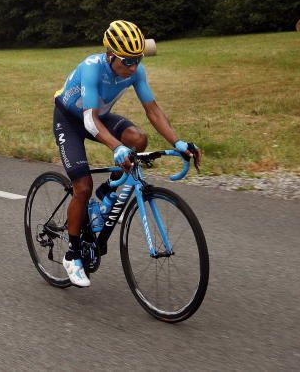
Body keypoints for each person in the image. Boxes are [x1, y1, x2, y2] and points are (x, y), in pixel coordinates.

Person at [53, 20, 201, 288]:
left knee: (138, 139)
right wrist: (116, 148)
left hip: (100, 117)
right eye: (127, 60)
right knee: (82, 187)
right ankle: (72, 254)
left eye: (138, 59)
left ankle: (109, 191)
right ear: (110, 56)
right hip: (72, 120)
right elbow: (89, 121)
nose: (133, 67)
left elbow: (152, 110)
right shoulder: (91, 68)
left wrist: (178, 142)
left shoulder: (135, 71)